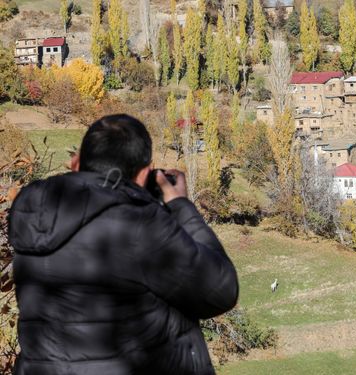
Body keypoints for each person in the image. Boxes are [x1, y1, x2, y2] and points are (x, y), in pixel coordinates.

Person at [8, 114, 238, 375]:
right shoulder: (142, 226)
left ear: (76, 163)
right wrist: (180, 206)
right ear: (144, 174)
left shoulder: (32, 216)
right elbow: (221, 291)